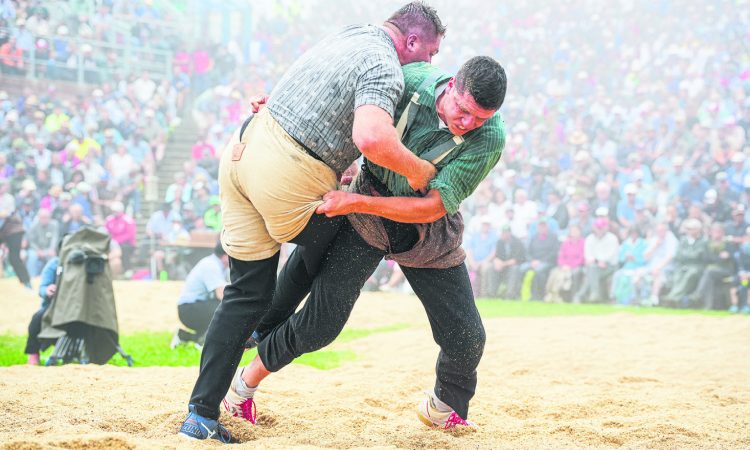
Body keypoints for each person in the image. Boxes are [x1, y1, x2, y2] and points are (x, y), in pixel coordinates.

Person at [179, 3, 446, 442]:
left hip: (243, 148)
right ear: (411, 41)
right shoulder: (386, 65)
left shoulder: (349, 35)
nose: (429, 65)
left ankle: (201, 414)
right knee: (356, 221)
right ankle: (268, 327)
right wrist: (418, 172)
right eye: (430, 54)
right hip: (285, 171)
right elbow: (372, 137)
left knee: (245, 293)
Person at [228, 56, 506, 432]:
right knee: (320, 324)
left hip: (426, 233)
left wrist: (355, 201)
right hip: (366, 217)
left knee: (468, 338)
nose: (467, 123)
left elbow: (431, 207)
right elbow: (334, 99)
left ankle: (444, 407)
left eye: (480, 118)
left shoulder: (490, 137)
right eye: (464, 110)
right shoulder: (408, 79)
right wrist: (278, 111)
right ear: (453, 84)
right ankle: (243, 386)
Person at [171, 243, 229, 349]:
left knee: (224, 309)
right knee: (225, 309)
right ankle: (204, 343)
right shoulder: (211, 265)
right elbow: (222, 295)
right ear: (225, 255)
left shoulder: (220, 266)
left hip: (196, 307)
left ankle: (184, 336)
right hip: (189, 309)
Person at [25, 240, 61, 365]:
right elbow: (42, 288)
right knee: (37, 318)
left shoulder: (83, 264)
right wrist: (47, 290)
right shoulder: (54, 264)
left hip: (76, 309)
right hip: (52, 307)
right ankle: (33, 355)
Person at [487, 223, 526, 299]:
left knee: (514, 269)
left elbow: (516, 259)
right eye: (503, 232)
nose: (504, 234)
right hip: (503, 265)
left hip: (514, 265)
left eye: (506, 232)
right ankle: (492, 293)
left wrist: (503, 264)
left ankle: (510, 294)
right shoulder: (499, 242)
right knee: (491, 268)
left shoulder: (517, 242)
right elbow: (497, 256)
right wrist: (496, 262)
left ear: (510, 233)